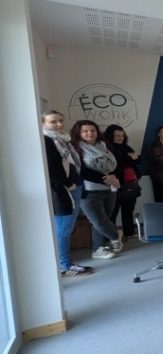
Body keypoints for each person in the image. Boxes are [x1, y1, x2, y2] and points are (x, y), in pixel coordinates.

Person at [41, 111, 94, 276]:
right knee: (62, 229)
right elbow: (51, 168)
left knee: (66, 228)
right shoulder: (46, 140)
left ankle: (65, 263)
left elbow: (74, 164)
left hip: (75, 186)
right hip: (63, 190)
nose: (58, 125)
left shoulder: (65, 140)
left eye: (60, 121)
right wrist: (68, 184)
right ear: (43, 124)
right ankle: (64, 266)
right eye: (53, 122)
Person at [70, 120, 121, 260]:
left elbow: (116, 164)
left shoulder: (104, 145)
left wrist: (114, 178)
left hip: (109, 188)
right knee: (99, 221)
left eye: (92, 130)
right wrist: (106, 178)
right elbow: (81, 171)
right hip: (89, 190)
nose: (90, 133)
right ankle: (116, 236)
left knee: (103, 219)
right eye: (85, 131)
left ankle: (99, 248)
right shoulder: (75, 148)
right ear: (78, 133)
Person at [103, 125, 140, 240]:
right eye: (117, 136)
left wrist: (130, 159)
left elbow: (138, 159)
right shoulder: (106, 148)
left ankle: (129, 233)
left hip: (130, 183)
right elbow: (120, 163)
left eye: (122, 136)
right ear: (110, 136)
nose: (120, 138)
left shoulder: (126, 147)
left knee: (128, 210)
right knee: (112, 212)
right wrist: (130, 159)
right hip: (115, 184)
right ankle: (112, 237)